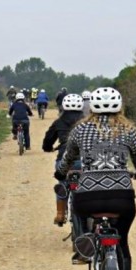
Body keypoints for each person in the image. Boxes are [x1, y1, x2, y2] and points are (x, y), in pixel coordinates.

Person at [54, 87, 136, 270]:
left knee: (79, 212)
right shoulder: (129, 131)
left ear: (92, 107)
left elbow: (67, 159)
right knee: (122, 241)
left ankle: (86, 241)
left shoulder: (80, 129)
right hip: (122, 199)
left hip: (88, 198)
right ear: (120, 107)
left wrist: (61, 172)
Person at [42, 93, 84, 226]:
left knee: (62, 184)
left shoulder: (58, 122)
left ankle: (60, 214)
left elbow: (48, 140)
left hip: (63, 160)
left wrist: (48, 148)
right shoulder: (88, 122)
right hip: (84, 160)